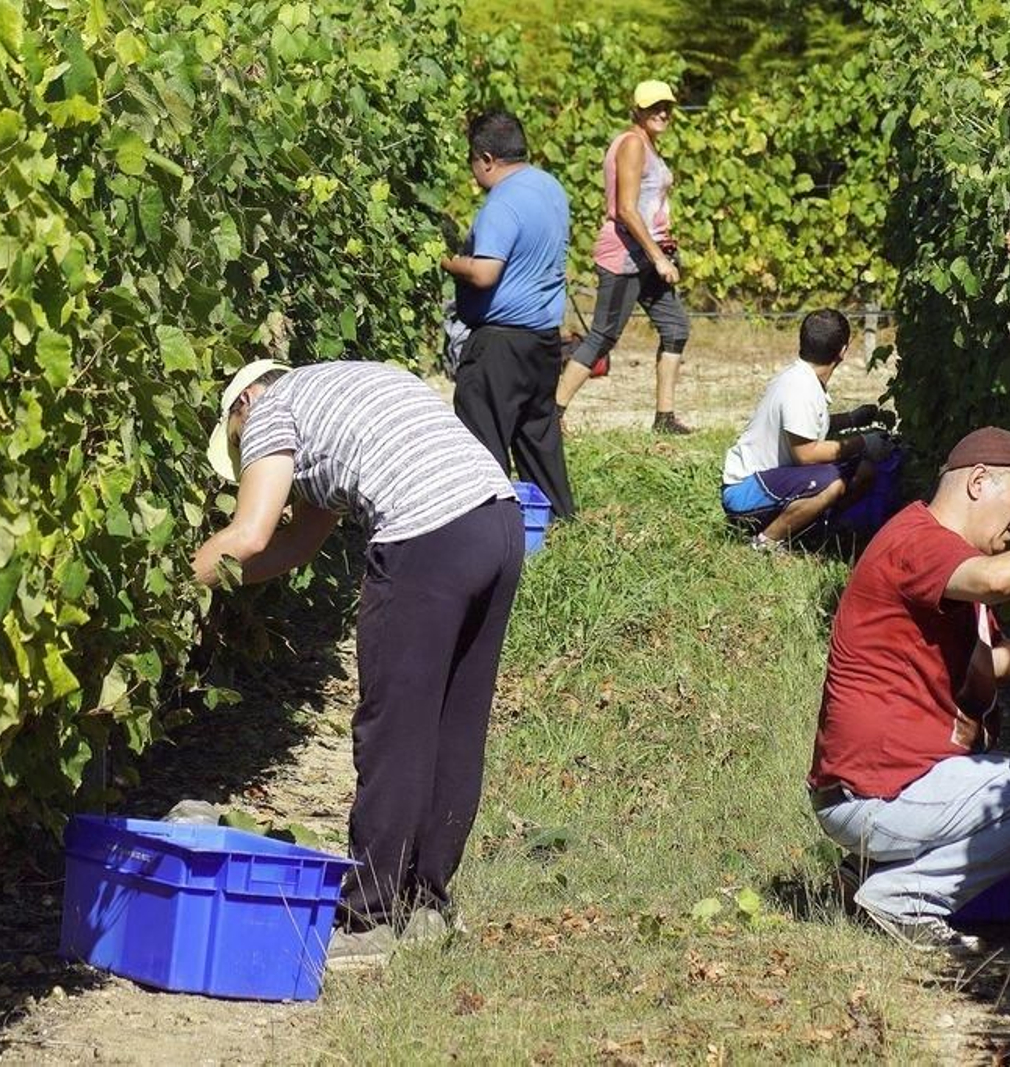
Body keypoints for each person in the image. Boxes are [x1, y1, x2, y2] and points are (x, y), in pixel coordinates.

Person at [193, 358, 525, 968]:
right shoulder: (339, 392)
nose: (249, 458)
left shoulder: (268, 411)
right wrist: (228, 584)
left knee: (393, 729)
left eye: (239, 449)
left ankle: (368, 918)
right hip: (499, 521)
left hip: (427, 534)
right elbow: (297, 544)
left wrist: (176, 589)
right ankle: (426, 905)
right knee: (455, 723)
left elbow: (250, 536)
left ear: (244, 404)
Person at [808, 426, 1010, 950]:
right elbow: (997, 580)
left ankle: (866, 871)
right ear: (978, 482)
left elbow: (989, 666)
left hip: (884, 790)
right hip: (877, 794)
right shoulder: (919, 541)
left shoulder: (950, 568)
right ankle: (905, 896)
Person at [444, 110, 575, 518]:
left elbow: (485, 273)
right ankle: (559, 518)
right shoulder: (550, 188)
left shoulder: (502, 202)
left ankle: (492, 524)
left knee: (481, 439)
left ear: (486, 159)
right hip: (543, 340)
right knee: (538, 435)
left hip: (499, 345)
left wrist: (446, 260)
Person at [555, 80, 693, 435]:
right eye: (654, 107)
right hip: (626, 255)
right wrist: (658, 258)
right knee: (603, 336)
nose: (662, 113)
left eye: (667, 107)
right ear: (638, 110)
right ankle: (552, 414)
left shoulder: (648, 145)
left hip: (647, 253)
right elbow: (627, 210)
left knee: (675, 328)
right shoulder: (632, 144)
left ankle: (664, 419)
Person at [721, 309, 891, 550]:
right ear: (843, 351)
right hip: (745, 492)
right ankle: (765, 543)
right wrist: (863, 442)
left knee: (864, 470)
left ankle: (814, 531)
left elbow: (808, 428)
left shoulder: (802, 377)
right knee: (831, 482)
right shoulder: (800, 389)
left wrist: (852, 419)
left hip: (771, 481)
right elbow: (806, 454)